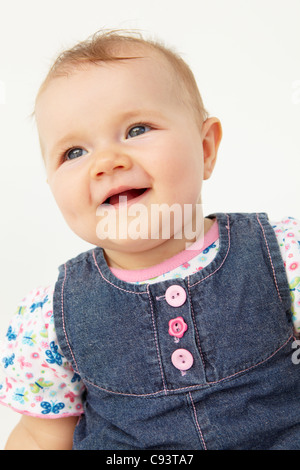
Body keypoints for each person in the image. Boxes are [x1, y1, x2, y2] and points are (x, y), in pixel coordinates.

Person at [1, 30, 299, 450]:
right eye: (73, 152)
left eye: (137, 129)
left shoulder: (283, 256)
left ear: (206, 147)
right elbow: (40, 434)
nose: (106, 162)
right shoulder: (50, 316)